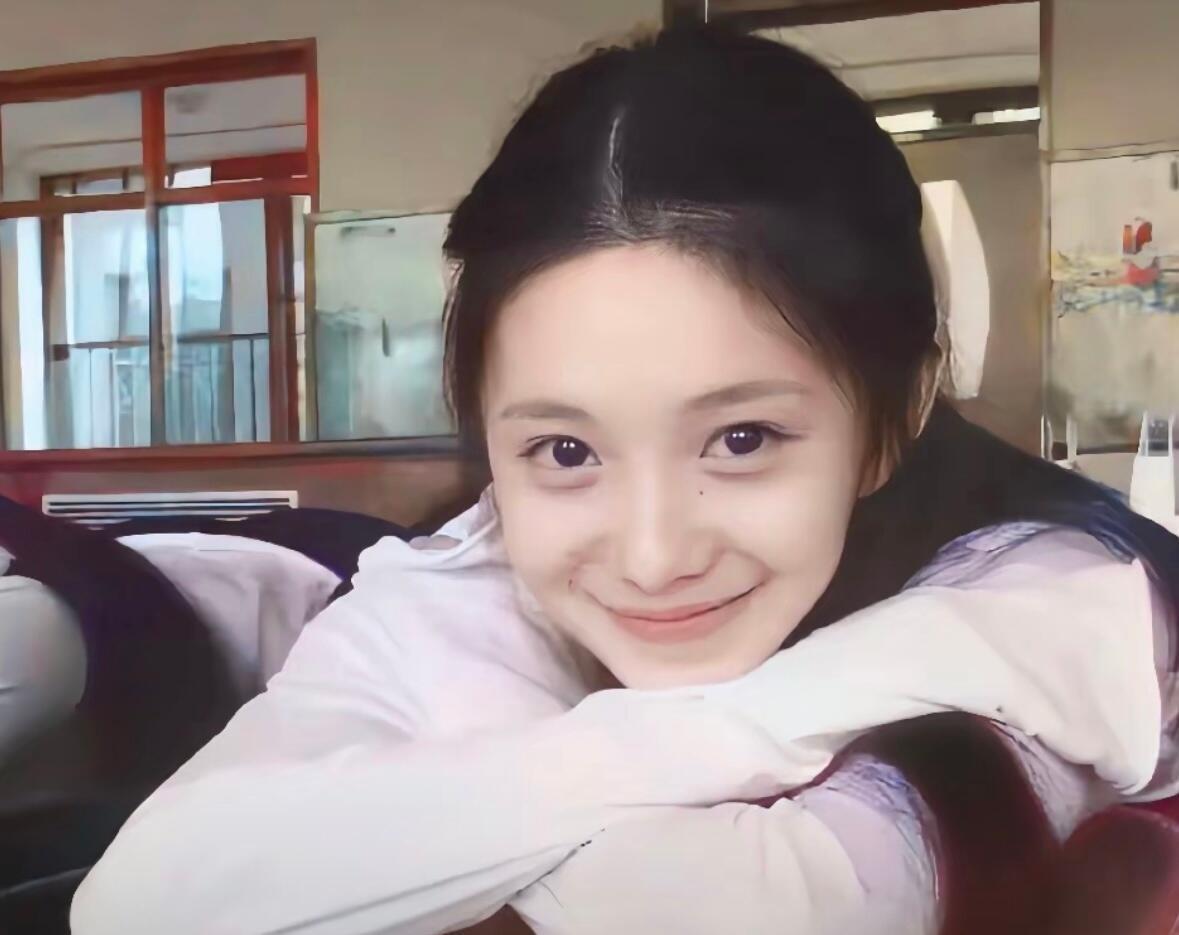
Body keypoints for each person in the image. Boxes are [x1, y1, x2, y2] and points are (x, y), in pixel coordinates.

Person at [70, 25, 1179, 935]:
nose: (651, 555)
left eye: (741, 438)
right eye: (565, 451)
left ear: (894, 417)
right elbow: (143, 898)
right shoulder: (476, 569)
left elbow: (730, 909)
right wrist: (747, 722)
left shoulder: (1043, 604)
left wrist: (424, 800)